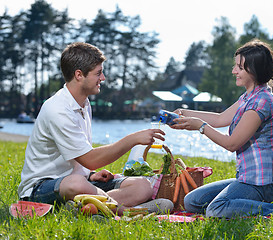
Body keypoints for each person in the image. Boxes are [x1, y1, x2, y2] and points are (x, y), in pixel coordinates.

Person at [18, 42, 173, 215]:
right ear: (79, 75)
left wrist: (91, 175)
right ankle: (125, 212)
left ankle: (85, 207)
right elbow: (89, 158)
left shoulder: (84, 103)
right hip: (41, 188)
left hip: (81, 180)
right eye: (98, 73)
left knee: (142, 185)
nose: (103, 78)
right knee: (76, 184)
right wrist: (132, 139)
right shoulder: (58, 109)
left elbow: (80, 156)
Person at [171, 39, 273, 218]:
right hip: (248, 178)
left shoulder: (262, 101)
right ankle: (239, 206)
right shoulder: (248, 97)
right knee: (192, 201)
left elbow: (232, 144)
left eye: (239, 67)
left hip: (263, 182)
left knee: (215, 209)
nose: (234, 71)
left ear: (254, 70)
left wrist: (200, 127)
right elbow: (220, 118)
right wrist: (184, 113)